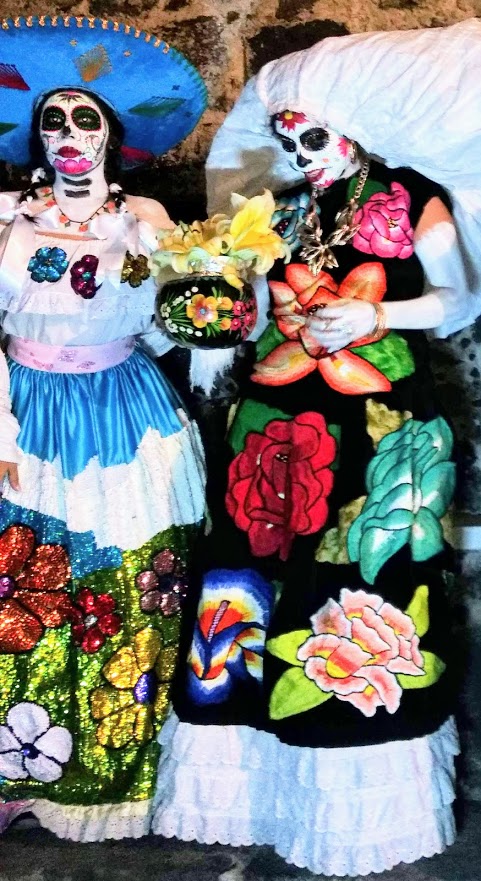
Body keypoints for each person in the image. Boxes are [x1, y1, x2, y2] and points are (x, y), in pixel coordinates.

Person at [152, 24, 478, 877]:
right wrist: (215, 313)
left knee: (358, 578)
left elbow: (457, 299)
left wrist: (377, 315)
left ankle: (355, 777)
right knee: (254, 577)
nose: (301, 150)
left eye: (315, 135)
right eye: (289, 137)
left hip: (375, 426)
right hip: (271, 422)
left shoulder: (410, 196)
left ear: (355, 127)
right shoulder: (283, 208)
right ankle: (251, 778)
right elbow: (255, 305)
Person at [0, 16, 207, 841]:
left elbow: (175, 322)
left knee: (127, 579)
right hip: (25, 407)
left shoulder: (147, 216)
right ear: (34, 136)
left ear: (114, 135)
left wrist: (215, 321)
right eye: (53, 119)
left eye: (86, 118)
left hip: (126, 408)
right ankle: (19, 767)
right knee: (22, 585)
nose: (69, 135)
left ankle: (112, 765)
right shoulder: (8, 215)